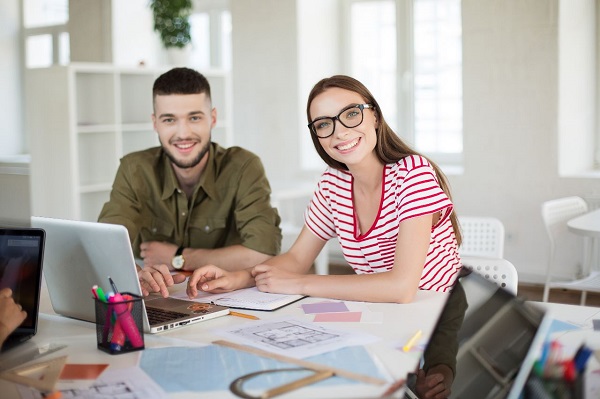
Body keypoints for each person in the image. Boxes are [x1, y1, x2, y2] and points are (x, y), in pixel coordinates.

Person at [186, 74, 462, 302]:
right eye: (324, 124)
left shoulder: (412, 173)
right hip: (385, 317)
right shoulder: (333, 185)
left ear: (375, 116)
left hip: (441, 316)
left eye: (351, 114)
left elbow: (401, 288)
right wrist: (238, 278)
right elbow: (296, 258)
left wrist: (300, 284)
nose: (340, 132)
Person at [98, 67, 282, 298]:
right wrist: (132, 273)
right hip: (156, 296)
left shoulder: (243, 166)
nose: (183, 133)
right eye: (169, 120)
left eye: (194, 118)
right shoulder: (134, 169)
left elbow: (262, 252)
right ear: (155, 123)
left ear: (212, 118)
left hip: (225, 296)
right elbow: (106, 243)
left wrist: (180, 255)